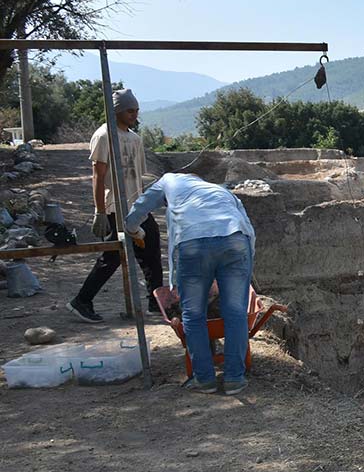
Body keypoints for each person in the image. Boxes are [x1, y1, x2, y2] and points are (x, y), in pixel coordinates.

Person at [124, 173, 256, 395]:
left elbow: (140, 207)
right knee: (235, 312)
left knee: (193, 314)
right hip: (236, 239)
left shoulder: (168, 180)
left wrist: (132, 229)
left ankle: (204, 380)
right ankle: (235, 379)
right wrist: (246, 259)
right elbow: (247, 226)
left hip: (194, 243)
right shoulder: (219, 190)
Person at [68, 89, 163, 323]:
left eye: (136, 110)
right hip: (114, 207)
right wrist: (100, 212)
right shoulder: (104, 136)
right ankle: (82, 300)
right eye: (130, 111)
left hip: (136, 206)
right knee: (112, 257)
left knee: (151, 250)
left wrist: (145, 203)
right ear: (117, 111)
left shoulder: (135, 139)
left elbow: (137, 177)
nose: (134, 115)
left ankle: (156, 302)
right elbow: (98, 176)